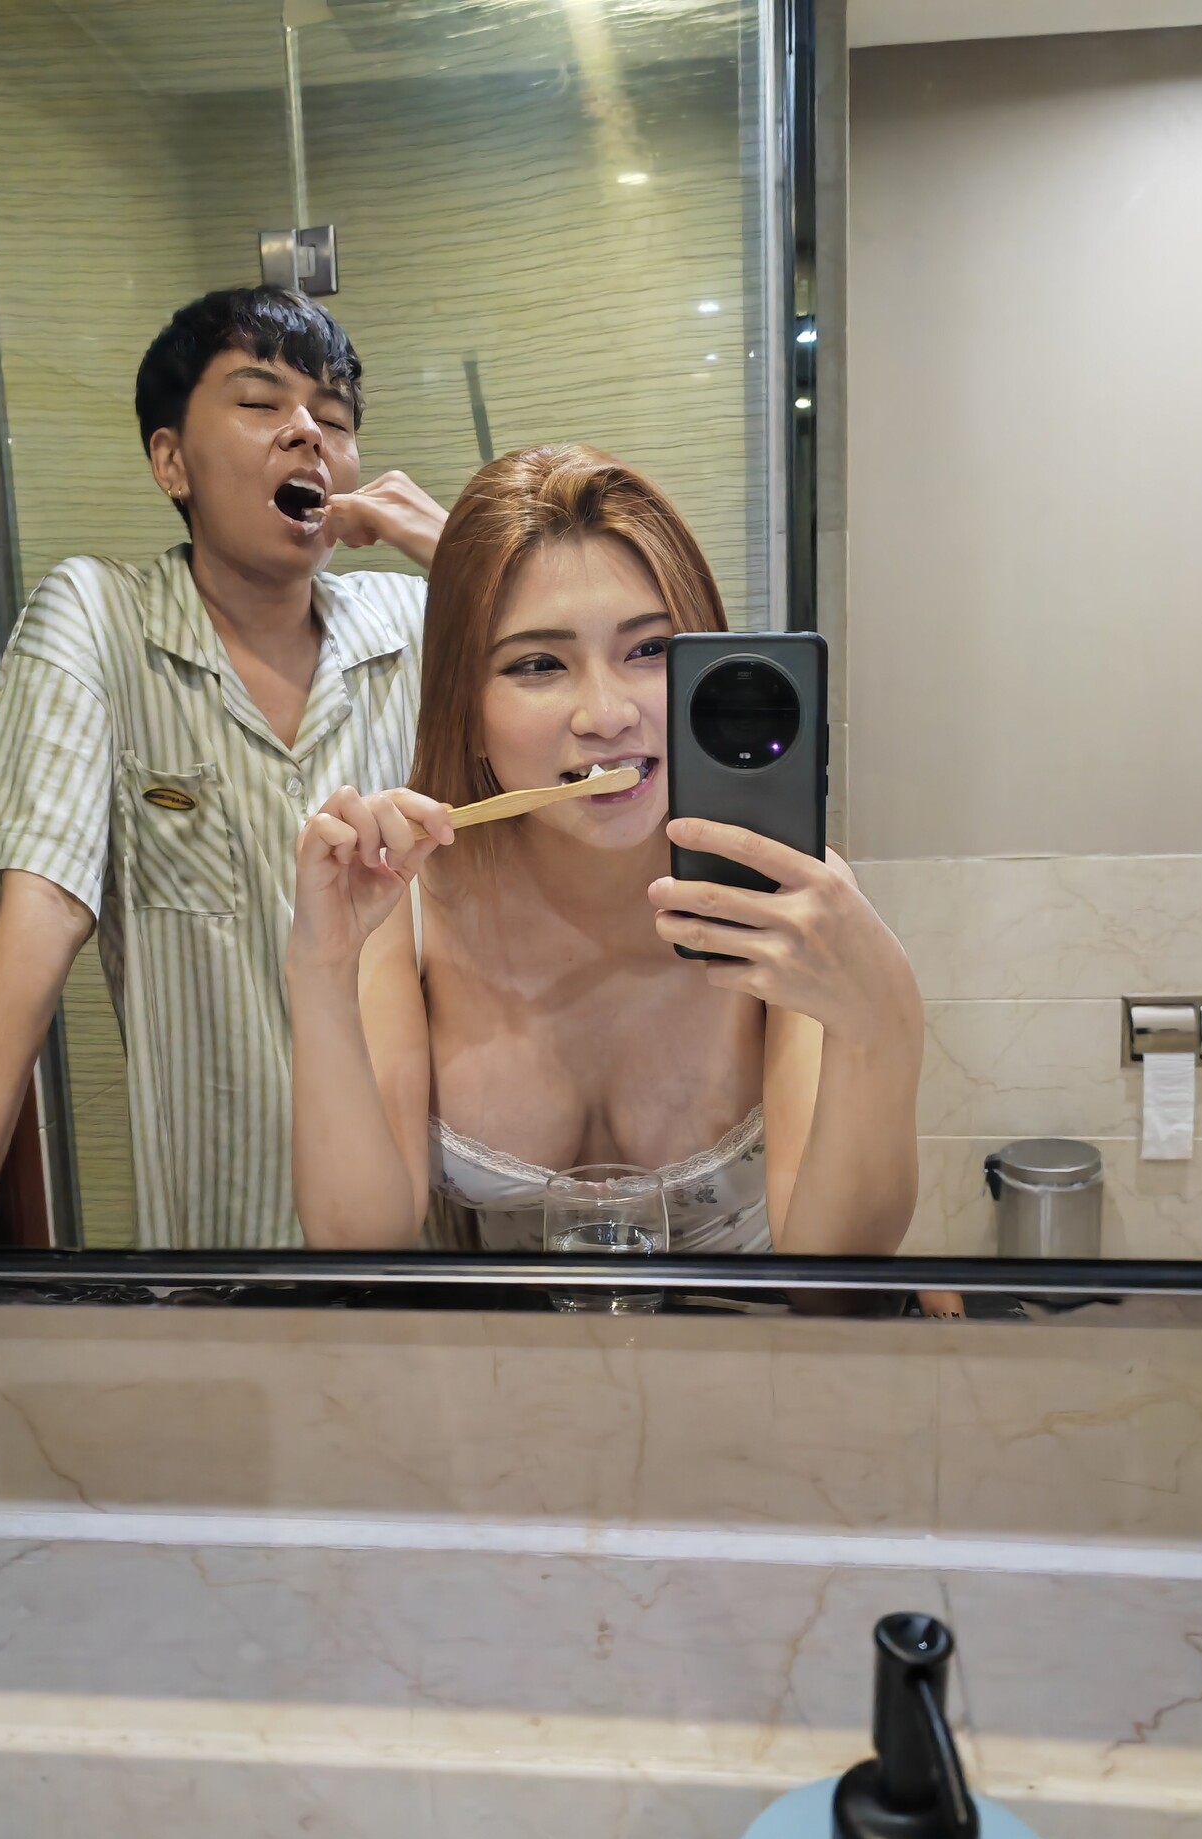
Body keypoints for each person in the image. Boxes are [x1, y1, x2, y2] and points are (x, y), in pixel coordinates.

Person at [286, 444, 954, 1304]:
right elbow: (359, 1247)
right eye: (538, 664)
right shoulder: (406, 905)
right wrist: (319, 969)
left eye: (649, 650)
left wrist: (885, 1021)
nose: (606, 714)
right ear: (467, 708)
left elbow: (830, 1287)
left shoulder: (778, 895)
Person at [0, 286, 446, 1249]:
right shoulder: (98, 618)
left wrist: (450, 547)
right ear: (171, 461)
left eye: (334, 420)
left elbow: (599, 708)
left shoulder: (414, 624)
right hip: (220, 1240)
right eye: (259, 403)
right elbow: (45, 904)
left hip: (413, 1232)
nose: (308, 432)